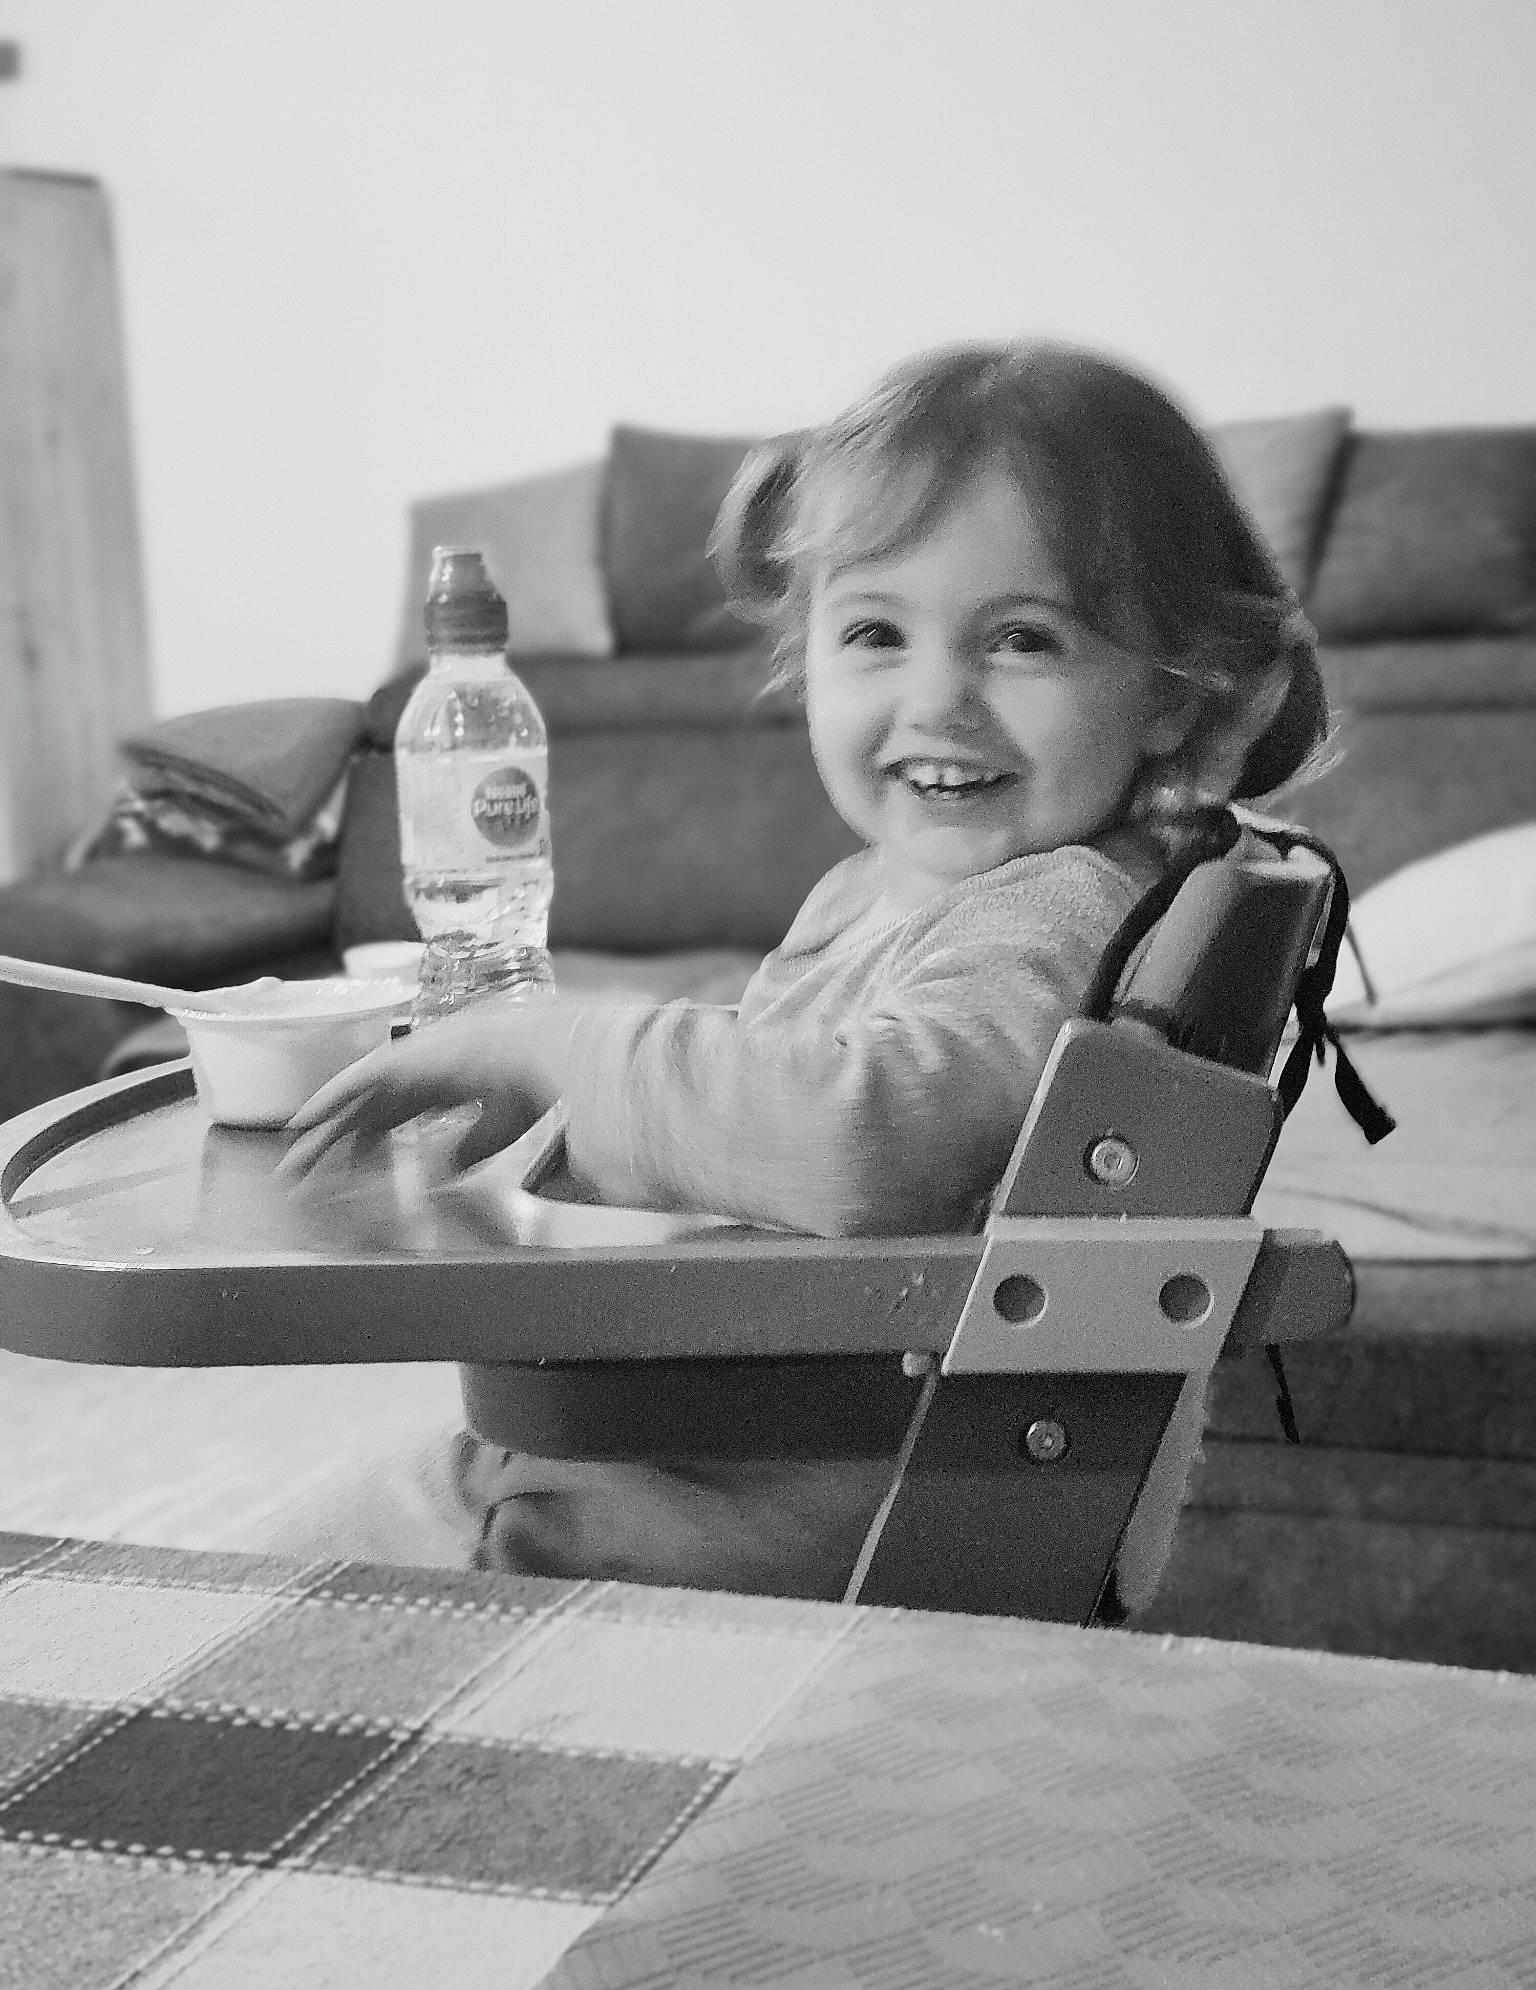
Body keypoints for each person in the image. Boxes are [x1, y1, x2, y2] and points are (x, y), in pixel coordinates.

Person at [280, 338, 1329, 1607]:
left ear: (1169, 697)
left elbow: (859, 1133)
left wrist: (554, 1042)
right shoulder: (889, 891)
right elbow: (778, 1104)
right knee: (292, 1531)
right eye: (877, 631)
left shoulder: (1059, 912)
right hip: (701, 1451)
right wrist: (565, 1117)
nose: (938, 697)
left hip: (765, 1523)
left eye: (1025, 641)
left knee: (260, 1604)